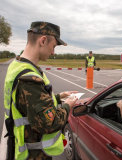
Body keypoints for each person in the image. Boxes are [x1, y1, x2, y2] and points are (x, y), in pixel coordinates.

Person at [4, 21, 78, 160]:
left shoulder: (18, 66)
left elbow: (30, 104)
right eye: (53, 46)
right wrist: (68, 105)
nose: (53, 52)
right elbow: (50, 123)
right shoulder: (29, 79)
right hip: (33, 154)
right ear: (43, 40)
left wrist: (58, 97)